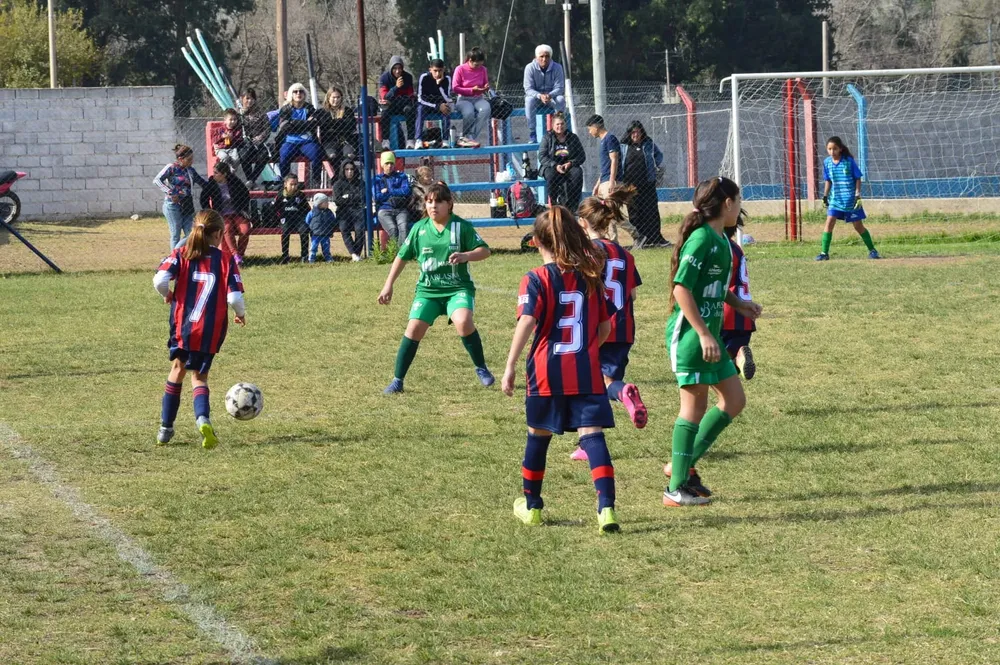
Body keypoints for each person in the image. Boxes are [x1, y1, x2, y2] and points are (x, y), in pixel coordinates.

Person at [501, 205, 620, 533]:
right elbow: (606, 328)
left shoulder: (535, 278)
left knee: (537, 437)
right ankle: (606, 509)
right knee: (592, 436)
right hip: (585, 370)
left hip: (545, 373)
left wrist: (510, 364)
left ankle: (532, 506)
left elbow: (528, 320)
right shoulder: (590, 275)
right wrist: (587, 351)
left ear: (537, 242)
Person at [664, 177, 762, 507]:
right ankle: (675, 489)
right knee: (693, 408)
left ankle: (681, 465)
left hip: (710, 336)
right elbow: (682, 288)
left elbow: (714, 287)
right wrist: (705, 334)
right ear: (727, 204)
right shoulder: (702, 239)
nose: (740, 206)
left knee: (734, 400)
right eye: (738, 199)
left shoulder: (721, 241)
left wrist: (739, 305)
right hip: (692, 336)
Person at [377, 182, 494, 394]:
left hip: (457, 288)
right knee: (413, 329)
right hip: (428, 291)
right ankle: (397, 381)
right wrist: (388, 285)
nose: (433, 206)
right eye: (429, 202)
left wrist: (466, 255)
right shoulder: (419, 229)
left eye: (438, 202)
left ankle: (481, 368)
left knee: (463, 321)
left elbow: (485, 251)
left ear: (449, 204)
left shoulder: (461, 227)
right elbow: (401, 257)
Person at [153, 209, 246, 449]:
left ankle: (165, 428)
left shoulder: (182, 253)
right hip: (210, 331)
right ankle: (203, 419)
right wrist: (241, 314)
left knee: (177, 370)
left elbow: (159, 280)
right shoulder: (225, 260)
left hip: (183, 328)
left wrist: (168, 294)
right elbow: (234, 298)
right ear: (217, 234)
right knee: (199, 377)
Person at [568, 187, 647, 462]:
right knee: (603, 382)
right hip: (624, 328)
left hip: (596, 327)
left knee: (587, 385)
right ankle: (587, 441)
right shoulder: (626, 254)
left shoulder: (588, 252)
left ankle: (621, 396)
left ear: (582, 223)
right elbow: (633, 293)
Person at [816, 136, 881, 261]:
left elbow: (857, 178)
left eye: (834, 149)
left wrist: (857, 194)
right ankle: (824, 253)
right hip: (835, 200)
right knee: (829, 222)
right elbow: (828, 180)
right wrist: (825, 196)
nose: (832, 152)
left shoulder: (848, 161)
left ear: (840, 149)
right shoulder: (827, 163)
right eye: (829, 149)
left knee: (858, 226)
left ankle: (872, 250)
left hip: (850, 200)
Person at [620, 120, 670, 248]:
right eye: (633, 132)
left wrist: (656, 167)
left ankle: (656, 238)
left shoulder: (648, 143)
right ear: (629, 133)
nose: (635, 134)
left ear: (642, 132)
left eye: (638, 132)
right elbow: (619, 162)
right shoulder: (623, 146)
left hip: (647, 183)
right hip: (630, 186)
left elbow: (659, 155)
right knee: (635, 212)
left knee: (651, 211)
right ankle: (640, 238)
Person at [585, 114, 634, 245]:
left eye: (590, 128)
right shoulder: (602, 141)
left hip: (611, 182)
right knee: (605, 212)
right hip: (604, 181)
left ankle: (632, 236)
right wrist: (597, 184)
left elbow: (614, 160)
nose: (590, 132)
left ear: (596, 126)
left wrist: (612, 181)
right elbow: (605, 167)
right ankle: (613, 241)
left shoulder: (610, 138)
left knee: (611, 212)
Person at [154, 144, 210, 250]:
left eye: (192, 159)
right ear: (180, 159)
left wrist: (214, 184)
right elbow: (157, 180)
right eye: (189, 159)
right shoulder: (171, 168)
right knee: (175, 234)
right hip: (173, 205)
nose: (191, 161)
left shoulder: (190, 170)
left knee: (191, 232)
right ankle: (174, 260)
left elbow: (202, 182)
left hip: (187, 204)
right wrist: (170, 192)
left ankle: (179, 253)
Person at [721, 212, 756, 380]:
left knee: (721, 361)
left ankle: (738, 356)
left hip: (727, 310)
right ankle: (740, 355)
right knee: (734, 354)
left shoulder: (720, 248)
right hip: (744, 315)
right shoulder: (737, 248)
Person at [199, 162, 253, 265]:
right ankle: (235, 255)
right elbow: (203, 198)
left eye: (216, 173)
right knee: (227, 229)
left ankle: (240, 255)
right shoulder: (211, 183)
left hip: (237, 212)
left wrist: (243, 209)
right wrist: (211, 212)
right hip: (221, 214)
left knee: (245, 230)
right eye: (214, 172)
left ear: (224, 174)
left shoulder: (234, 181)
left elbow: (245, 194)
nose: (213, 175)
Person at [277, 82, 324, 184]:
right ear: (291, 94)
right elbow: (285, 128)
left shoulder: (310, 108)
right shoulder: (285, 109)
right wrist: (305, 124)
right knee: (284, 155)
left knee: (317, 154)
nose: (298, 93)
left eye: (301, 91)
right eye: (295, 91)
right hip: (290, 142)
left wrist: (293, 123)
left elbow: (314, 124)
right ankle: (285, 181)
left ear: (304, 94)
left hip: (307, 142)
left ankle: (316, 180)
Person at [538, 112, 586, 211]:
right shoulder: (547, 137)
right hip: (552, 166)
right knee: (550, 175)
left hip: (569, 166)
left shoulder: (572, 137)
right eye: (557, 124)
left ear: (565, 124)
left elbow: (581, 156)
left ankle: (573, 205)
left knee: (577, 173)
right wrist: (555, 165)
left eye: (562, 124)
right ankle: (554, 203)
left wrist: (570, 163)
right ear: (553, 125)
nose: (560, 126)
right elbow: (542, 157)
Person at [523, 45, 566, 143]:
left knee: (560, 100)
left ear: (550, 57)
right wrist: (540, 95)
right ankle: (532, 132)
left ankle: (558, 131)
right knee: (528, 100)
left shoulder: (557, 67)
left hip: (552, 98)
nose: (544, 59)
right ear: (536, 57)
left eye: (547, 56)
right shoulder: (529, 68)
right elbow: (528, 89)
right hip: (536, 98)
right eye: (541, 56)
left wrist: (550, 95)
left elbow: (559, 87)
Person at [450, 47, 490, 148]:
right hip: (463, 99)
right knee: (469, 112)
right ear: (470, 61)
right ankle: (465, 135)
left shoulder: (483, 70)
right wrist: (471, 90)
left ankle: (470, 136)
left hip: (478, 98)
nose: (479, 67)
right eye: (477, 65)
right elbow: (455, 88)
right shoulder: (460, 69)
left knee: (486, 109)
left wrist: (485, 87)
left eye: (481, 65)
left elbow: (485, 83)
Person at [316, 87, 359, 175]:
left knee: (349, 155)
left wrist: (332, 125)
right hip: (329, 141)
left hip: (346, 140)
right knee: (332, 156)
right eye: (333, 97)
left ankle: (347, 176)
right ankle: (338, 176)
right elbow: (324, 126)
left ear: (341, 98)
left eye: (338, 97)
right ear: (328, 98)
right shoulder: (322, 112)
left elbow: (350, 126)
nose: (336, 100)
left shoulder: (348, 111)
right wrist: (341, 123)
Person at [373, 151, 411, 247]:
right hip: (384, 209)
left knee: (403, 228)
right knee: (393, 229)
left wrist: (388, 191)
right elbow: (377, 197)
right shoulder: (377, 179)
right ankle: (394, 253)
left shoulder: (402, 176)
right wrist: (396, 192)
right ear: (382, 165)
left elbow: (406, 191)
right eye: (387, 163)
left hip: (400, 208)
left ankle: (400, 253)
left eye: (391, 163)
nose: (389, 166)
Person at [378, 56, 417, 150]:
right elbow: (385, 96)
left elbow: (410, 95)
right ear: (391, 68)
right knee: (384, 113)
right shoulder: (384, 78)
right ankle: (386, 141)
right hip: (390, 105)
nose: (397, 71)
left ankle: (410, 140)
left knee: (410, 110)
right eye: (395, 68)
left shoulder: (407, 77)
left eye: (399, 68)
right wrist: (396, 87)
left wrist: (407, 98)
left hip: (403, 104)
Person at [415, 59, 453, 149]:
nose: (437, 73)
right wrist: (436, 106)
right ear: (430, 70)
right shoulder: (424, 77)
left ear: (444, 69)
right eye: (435, 71)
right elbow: (420, 98)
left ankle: (445, 140)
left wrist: (439, 85)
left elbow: (448, 98)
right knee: (420, 110)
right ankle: (418, 140)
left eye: (440, 71)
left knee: (446, 110)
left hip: (441, 105)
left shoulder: (447, 78)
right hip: (427, 105)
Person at [272, 174, 311, 264]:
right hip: (286, 218)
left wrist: (304, 218)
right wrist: (280, 217)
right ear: (285, 184)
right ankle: (285, 256)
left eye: (296, 184)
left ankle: (304, 256)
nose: (294, 187)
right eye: (291, 184)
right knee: (285, 231)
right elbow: (275, 208)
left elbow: (307, 209)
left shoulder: (300, 195)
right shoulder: (281, 195)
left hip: (299, 218)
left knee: (304, 231)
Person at [238, 88, 273, 184]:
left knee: (264, 155)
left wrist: (260, 138)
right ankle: (250, 180)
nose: (250, 101)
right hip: (243, 144)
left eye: (252, 98)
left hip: (258, 143)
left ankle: (251, 180)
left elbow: (267, 129)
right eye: (247, 98)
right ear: (242, 99)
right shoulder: (238, 114)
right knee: (244, 155)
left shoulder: (261, 113)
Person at [332, 161, 365, 261]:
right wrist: (352, 197)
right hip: (343, 212)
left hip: (358, 210)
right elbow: (337, 200)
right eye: (347, 169)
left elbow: (362, 197)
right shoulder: (338, 184)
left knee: (360, 230)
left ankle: (357, 254)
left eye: (352, 169)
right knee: (344, 228)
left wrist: (346, 197)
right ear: (343, 170)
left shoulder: (360, 183)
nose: (350, 172)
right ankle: (353, 254)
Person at [212, 108, 244, 176]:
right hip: (221, 149)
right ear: (225, 120)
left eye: (235, 119)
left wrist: (232, 138)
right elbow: (214, 139)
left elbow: (240, 140)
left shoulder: (237, 130)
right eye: (230, 119)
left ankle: (231, 173)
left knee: (236, 159)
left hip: (232, 148)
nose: (233, 121)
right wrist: (222, 137)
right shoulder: (220, 130)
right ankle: (222, 172)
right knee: (224, 157)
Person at [305, 193, 336, 263]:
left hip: (326, 233)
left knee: (326, 247)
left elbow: (333, 220)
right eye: (326, 202)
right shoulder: (312, 212)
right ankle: (311, 259)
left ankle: (328, 258)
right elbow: (307, 220)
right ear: (320, 203)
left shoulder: (329, 212)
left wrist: (331, 228)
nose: (328, 203)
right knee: (313, 247)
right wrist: (310, 227)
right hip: (315, 234)